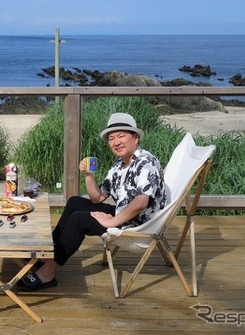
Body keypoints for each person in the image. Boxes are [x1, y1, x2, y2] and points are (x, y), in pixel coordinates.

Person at [19, 112, 170, 290]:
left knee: (79, 219)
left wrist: (112, 221)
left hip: (139, 223)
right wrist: (89, 175)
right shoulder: (119, 165)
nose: (116, 142)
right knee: (75, 202)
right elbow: (97, 198)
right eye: (111, 138)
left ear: (135, 138)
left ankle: (48, 273)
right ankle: (49, 252)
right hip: (126, 215)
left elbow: (141, 202)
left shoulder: (146, 162)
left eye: (121, 136)